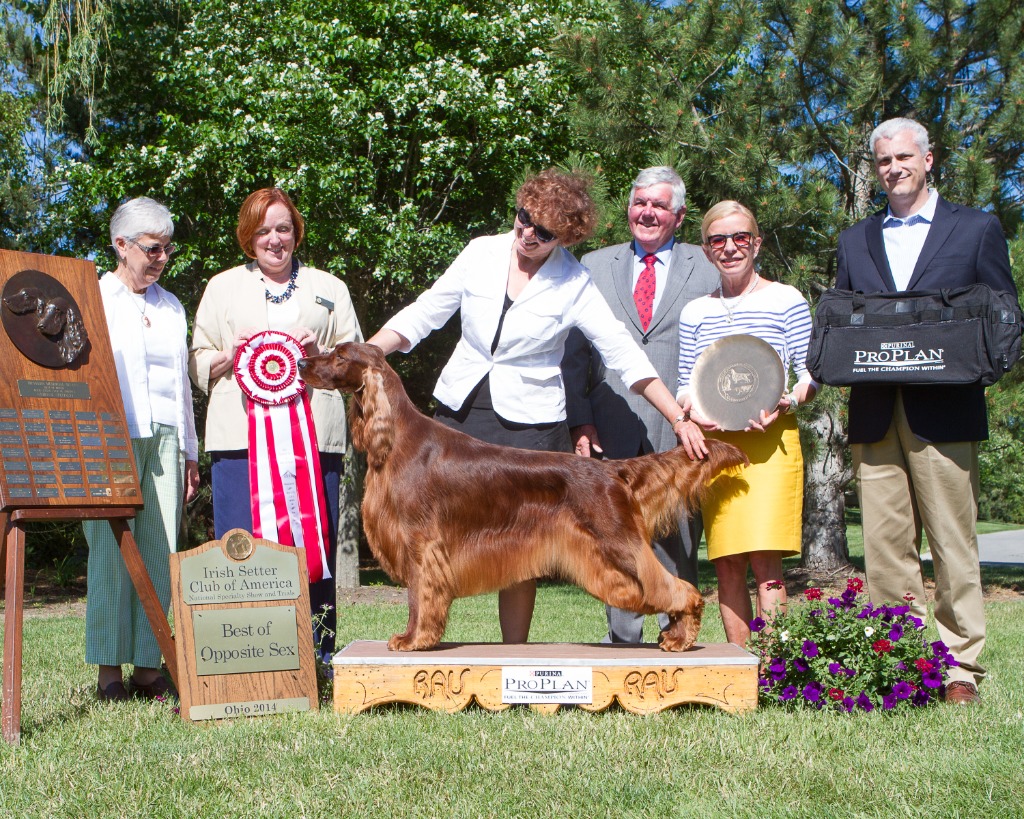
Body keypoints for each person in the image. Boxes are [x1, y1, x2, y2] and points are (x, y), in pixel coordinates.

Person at [367, 168, 702, 643]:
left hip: (530, 423)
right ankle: (422, 631)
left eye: (543, 232)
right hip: (461, 410)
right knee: (428, 530)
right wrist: (370, 353)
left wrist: (677, 416)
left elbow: (624, 353)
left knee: (524, 544)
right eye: (523, 218)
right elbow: (424, 314)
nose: (526, 234)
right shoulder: (481, 251)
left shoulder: (574, 281)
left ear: (564, 236)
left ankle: (514, 656)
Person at [836, 118, 1016, 705]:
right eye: (884, 160)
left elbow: (1003, 312)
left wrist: (983, 370)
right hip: (874, 411)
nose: (894, 168)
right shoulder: (855, 239)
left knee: (952, 543)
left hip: (947, 410)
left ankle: (960, 667)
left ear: (929, 159)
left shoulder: (976, 228)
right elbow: (844, 318)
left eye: (904, 157)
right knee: (886, 547)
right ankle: (907, 662)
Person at [189, 187, 362, 658]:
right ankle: (244, 660)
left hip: (314, 439)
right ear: (249, 237)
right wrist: (230, 354)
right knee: (241, 549)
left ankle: (317, 656)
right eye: (263, 230)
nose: (274, 239)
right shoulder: (221, 287)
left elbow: (357, 362)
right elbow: (197, 359)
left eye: (283, 228)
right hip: (240, 441)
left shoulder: (331, 288)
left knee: (313, 550)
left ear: (296, 232)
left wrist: (319, 355)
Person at [563, 166, 719, 644]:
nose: (647, 212)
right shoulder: (592, 263)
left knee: (678, 538)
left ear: (680, 215)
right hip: (609, 423)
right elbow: (574, 353)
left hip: (682, 427)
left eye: (659, 205)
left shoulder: (709, 266)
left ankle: (678, 634)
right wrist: (580, 421)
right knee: (614, 539)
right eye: (640, 203)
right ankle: (622, 644)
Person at [677, 200, 817, 647]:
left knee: (766, 560)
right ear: (706, 249)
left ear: (756, 243)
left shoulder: (786, 299)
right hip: (718, 450)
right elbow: (684, 383)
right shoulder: (695, 311)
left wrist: (787, 402)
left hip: (771, 444)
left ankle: (773, 668)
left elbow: (811, 373)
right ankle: (738, 665)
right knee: (727, 559)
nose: (730, 248)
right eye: (719, 240)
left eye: (740, 238)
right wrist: (691, 411)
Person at [85, 197, 200, 701]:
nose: (162, 258)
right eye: (153, 248)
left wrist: (191, 452)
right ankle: (110, 672)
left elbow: (181, 384)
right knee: (110, 550)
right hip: (109, 433)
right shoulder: (93, 297)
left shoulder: (171, 305)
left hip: (168, 437)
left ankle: (150, 670)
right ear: (121, 245)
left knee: (161, 549)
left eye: (168, 249)